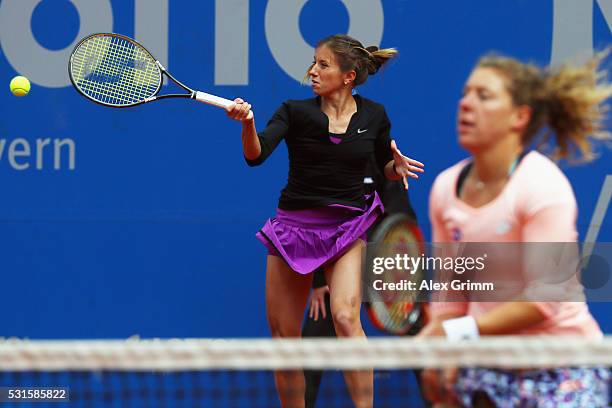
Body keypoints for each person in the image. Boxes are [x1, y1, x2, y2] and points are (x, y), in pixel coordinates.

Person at [226, 34, 425, 408]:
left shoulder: (375, 116)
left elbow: (384, 162)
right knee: (286, 339)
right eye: (314, 62)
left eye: (323, 64)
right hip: (293, 231)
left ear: (348, 76)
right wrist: (247, 124)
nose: (312, 71)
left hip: (347, 228)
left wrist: (394, 170)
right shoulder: (294, 111)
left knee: (347, 319)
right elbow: (256, 155)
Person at [419, 52, 611, 407]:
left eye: (484, 95)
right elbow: (450, 291)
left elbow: (546, 299)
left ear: (519, 116)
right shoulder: (446, 189)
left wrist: (457, 333)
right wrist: (440, 352)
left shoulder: (542, 186)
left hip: (563, 367)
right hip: (487, 366)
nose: (466, 104)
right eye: (466, 93)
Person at [302, 155, 422, 408]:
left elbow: (400, 221)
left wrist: (394, 274)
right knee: (310, 347)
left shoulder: (384, 160)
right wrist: (318, 280)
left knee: (419, 339)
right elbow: (318, 222)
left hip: (383, 268)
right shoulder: (324, 160)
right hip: (338, 266)